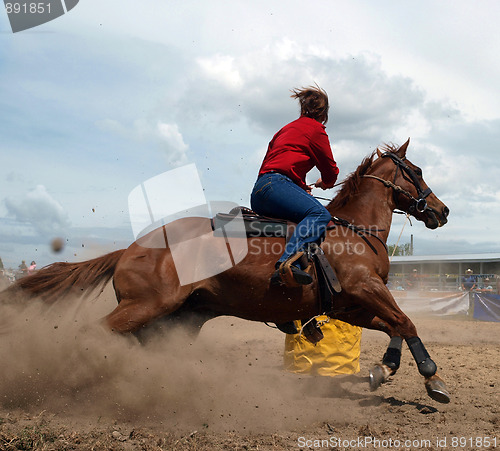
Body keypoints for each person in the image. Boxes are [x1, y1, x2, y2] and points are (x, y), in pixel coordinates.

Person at [250, 85, 339, 286]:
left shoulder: (284, 129)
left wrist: (298, 187)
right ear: (324, 114)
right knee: (320, 215)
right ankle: (288, 264)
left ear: (302, 109)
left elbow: (275, 164)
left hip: (261, 191)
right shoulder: (316, 130)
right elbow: (330, 171)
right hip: (277, 185)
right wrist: (324, 183)